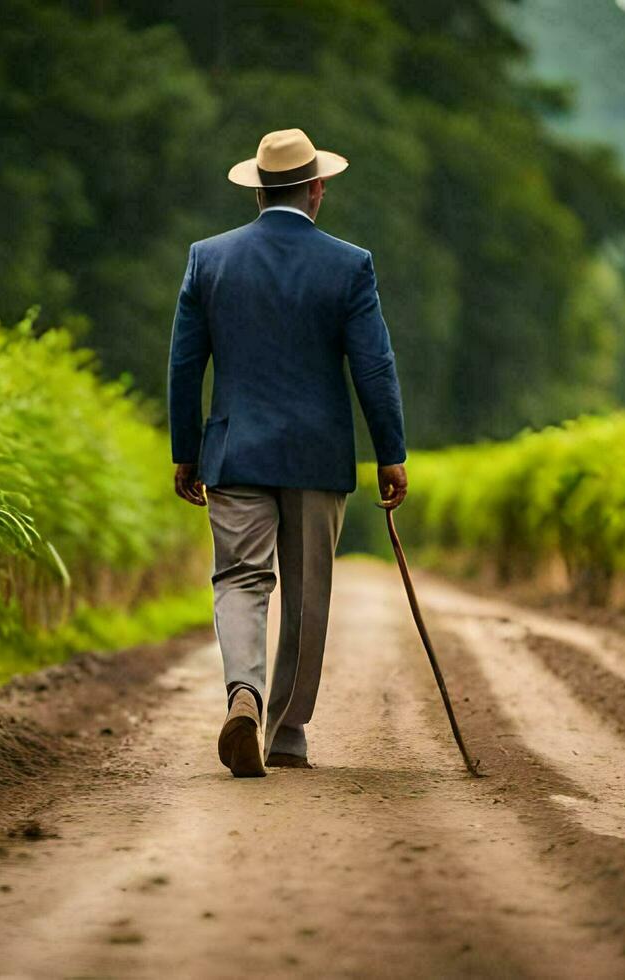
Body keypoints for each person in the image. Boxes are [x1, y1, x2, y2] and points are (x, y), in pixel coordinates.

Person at [167, 128, 408, 778]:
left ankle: (242, 691)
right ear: (316, 188)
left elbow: (185, 363)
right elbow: (374, 366)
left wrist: (185, 450)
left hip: (235, 450)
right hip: (315, 456)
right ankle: (288, 732)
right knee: (306, 594)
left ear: (258, 190)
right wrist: (391, 451)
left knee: (241, 581)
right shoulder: (348, 264)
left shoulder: (207, 259)